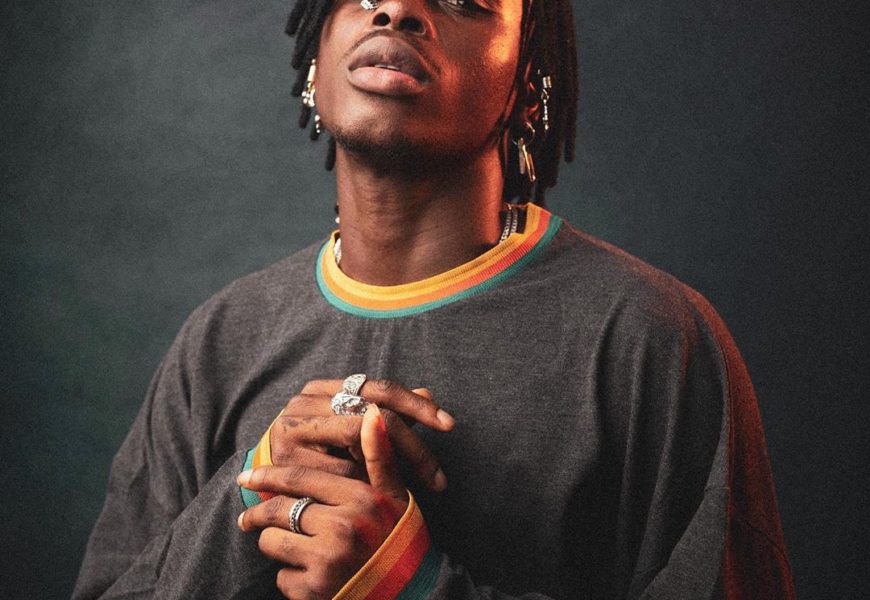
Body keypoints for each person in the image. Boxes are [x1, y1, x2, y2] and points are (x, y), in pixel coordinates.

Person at [74, 0, 796, 597]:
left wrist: (408, 584)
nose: (396, 10)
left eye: (462, 1)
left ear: (527, 88)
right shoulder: (221, 339)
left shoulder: (651, 337)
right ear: (315, 64)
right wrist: (255, 488)